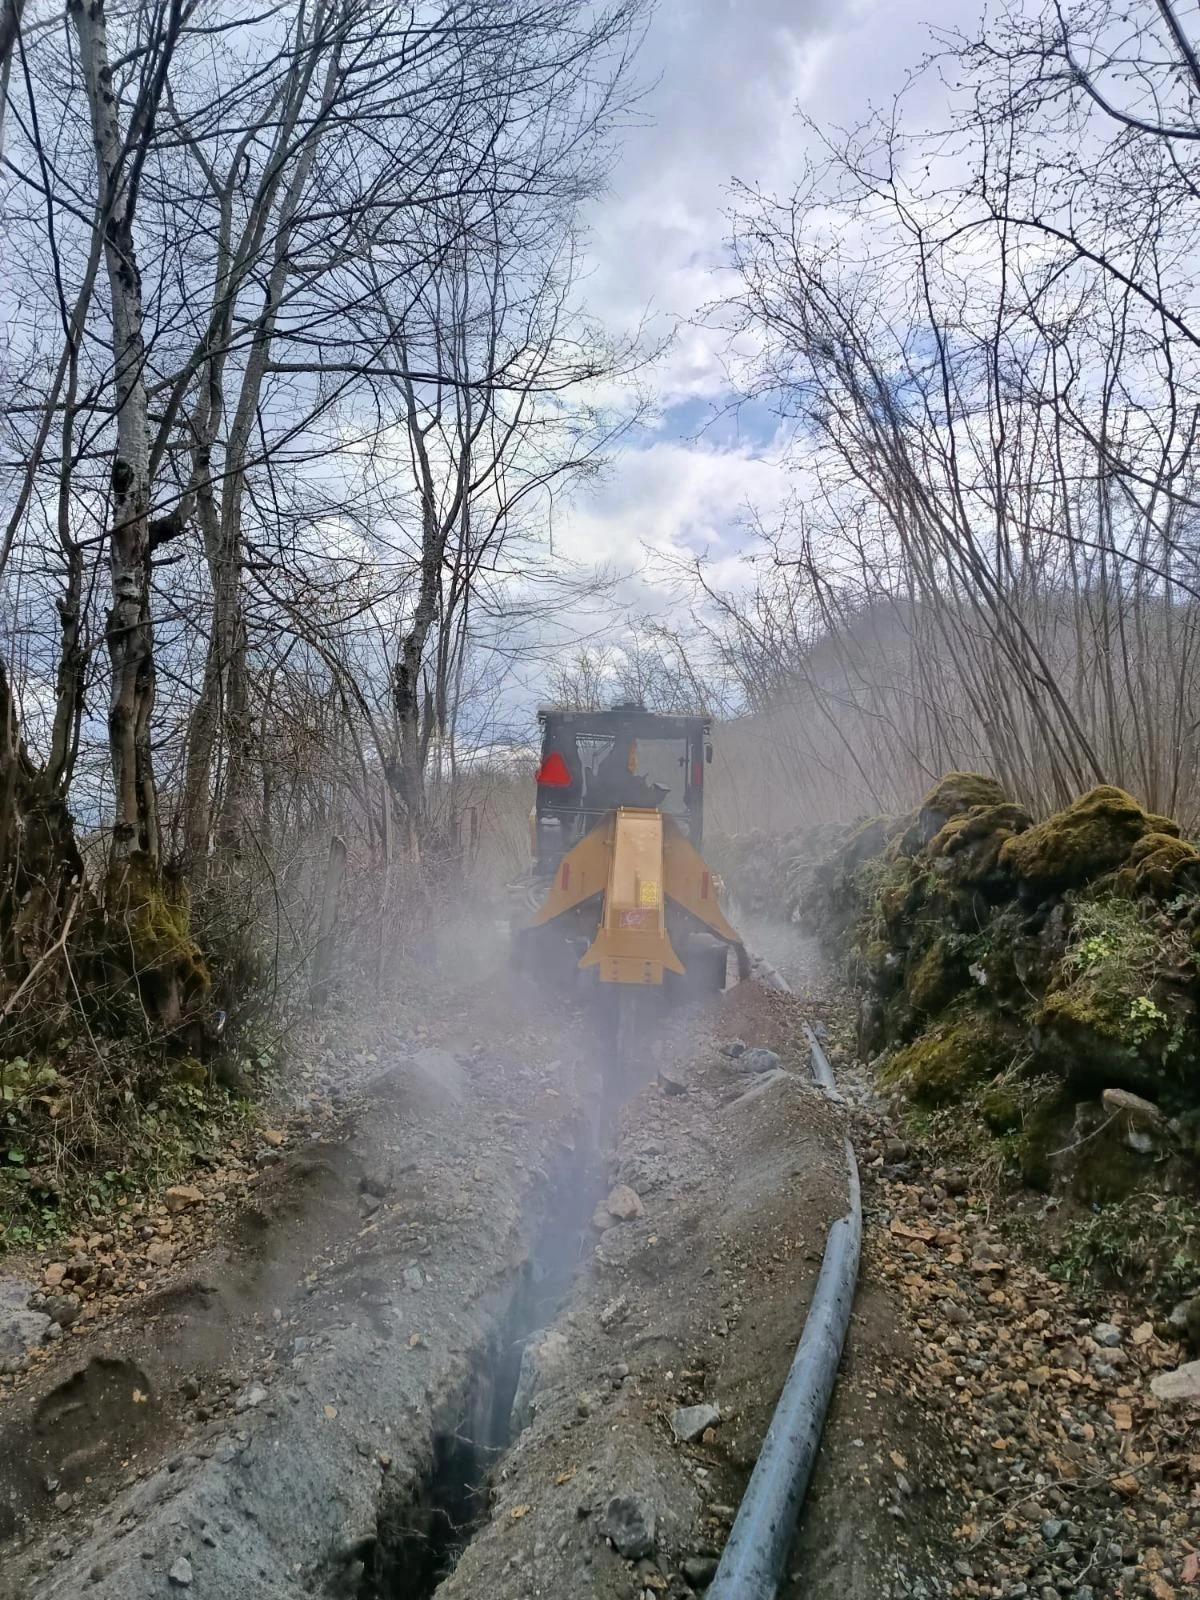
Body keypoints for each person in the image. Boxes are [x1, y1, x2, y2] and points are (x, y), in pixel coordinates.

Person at [589, 734, 664, 810]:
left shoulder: (607, 764)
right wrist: (657, 795)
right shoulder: (614, 771)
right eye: (634, 751)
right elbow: (630, 799)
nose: (635, 755)